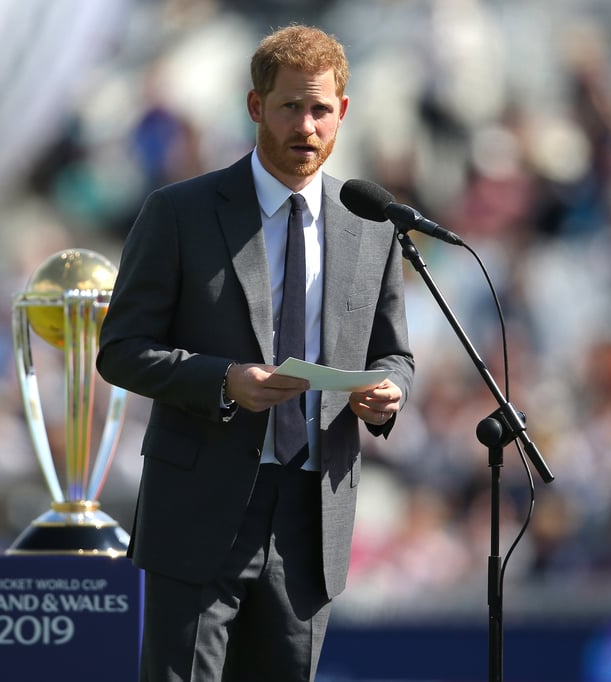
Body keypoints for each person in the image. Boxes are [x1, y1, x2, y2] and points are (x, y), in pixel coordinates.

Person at [97, 23, 414, 682]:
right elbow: (121, 350)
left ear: (343, 113)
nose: (307, 125)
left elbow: (394, 354)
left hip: (312, 517)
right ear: (254, 108)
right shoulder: (178, 213)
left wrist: (386, 394)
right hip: (199, 512)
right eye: (290, 106)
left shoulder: (371, 227)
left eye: (321, 109)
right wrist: (224, 382)